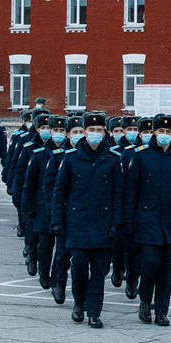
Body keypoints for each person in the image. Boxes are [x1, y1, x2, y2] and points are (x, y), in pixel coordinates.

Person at [53, 112, 128, 326]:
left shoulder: (113, 159)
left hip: (102, 223)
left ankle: (95, 311)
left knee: (98, 269)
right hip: (76, 222)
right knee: (78, 265)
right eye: (91, 130)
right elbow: (60, 191)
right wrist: (58, 220)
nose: (95, 134)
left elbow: (118, 194)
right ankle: (79, 303)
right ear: (84, 132)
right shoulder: (71, 158)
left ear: (105, 133)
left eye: (99, 130)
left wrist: (116, 223)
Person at [128, 115, 171, 324]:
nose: (164, 136)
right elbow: (132, 190)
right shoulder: (142, 156)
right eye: (161, 132)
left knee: (166, 269)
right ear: (154, 133)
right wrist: (130, 219)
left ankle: (161, 311)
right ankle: (145, 299)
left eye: (168, 132)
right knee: (150, 262)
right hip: (147, 219)